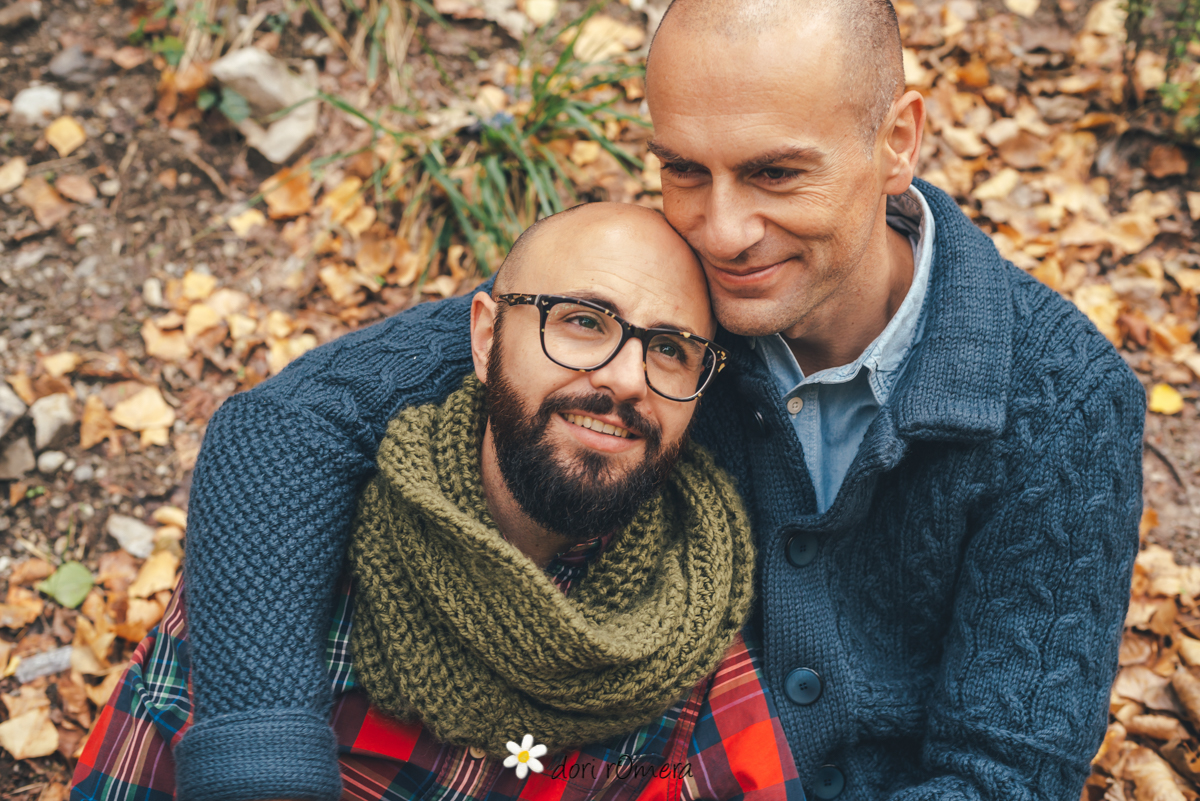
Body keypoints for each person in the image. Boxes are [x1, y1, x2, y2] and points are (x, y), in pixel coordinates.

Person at [158, 0, 1146, 799]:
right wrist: (263, 752)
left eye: (773, 173)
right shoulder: (653, 309)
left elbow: (1005, 772)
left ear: (898, 140)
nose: (722, 231)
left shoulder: (1061, 402)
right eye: (685, 169)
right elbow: (287, 427)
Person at [70, 204, 805, 801]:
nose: (625, 377)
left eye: (670, 349)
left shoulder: (687, 638)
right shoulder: (287, 556)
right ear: (485, 336)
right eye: (583, 321)